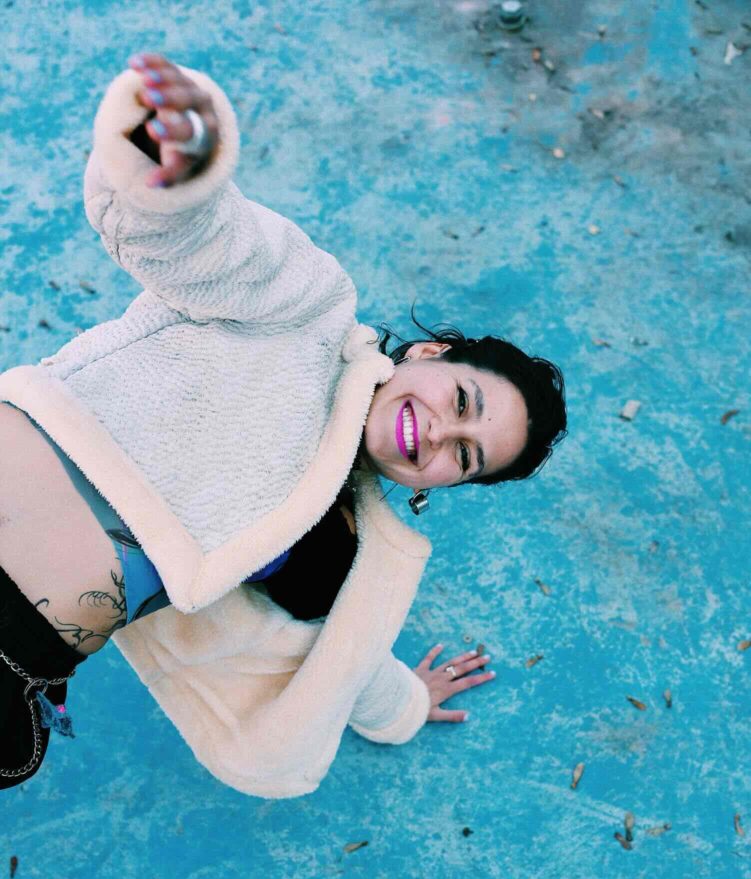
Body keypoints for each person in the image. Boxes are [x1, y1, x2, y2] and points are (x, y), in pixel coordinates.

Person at [0, 54, 566, 796]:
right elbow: (205, 241)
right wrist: (176, 162)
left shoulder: (331, 542)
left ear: (442, 486)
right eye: (461, 403)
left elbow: (338, 652)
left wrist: (403, 706)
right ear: (430, 353)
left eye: (464, 457)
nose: (438, 435)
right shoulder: (306, 310)